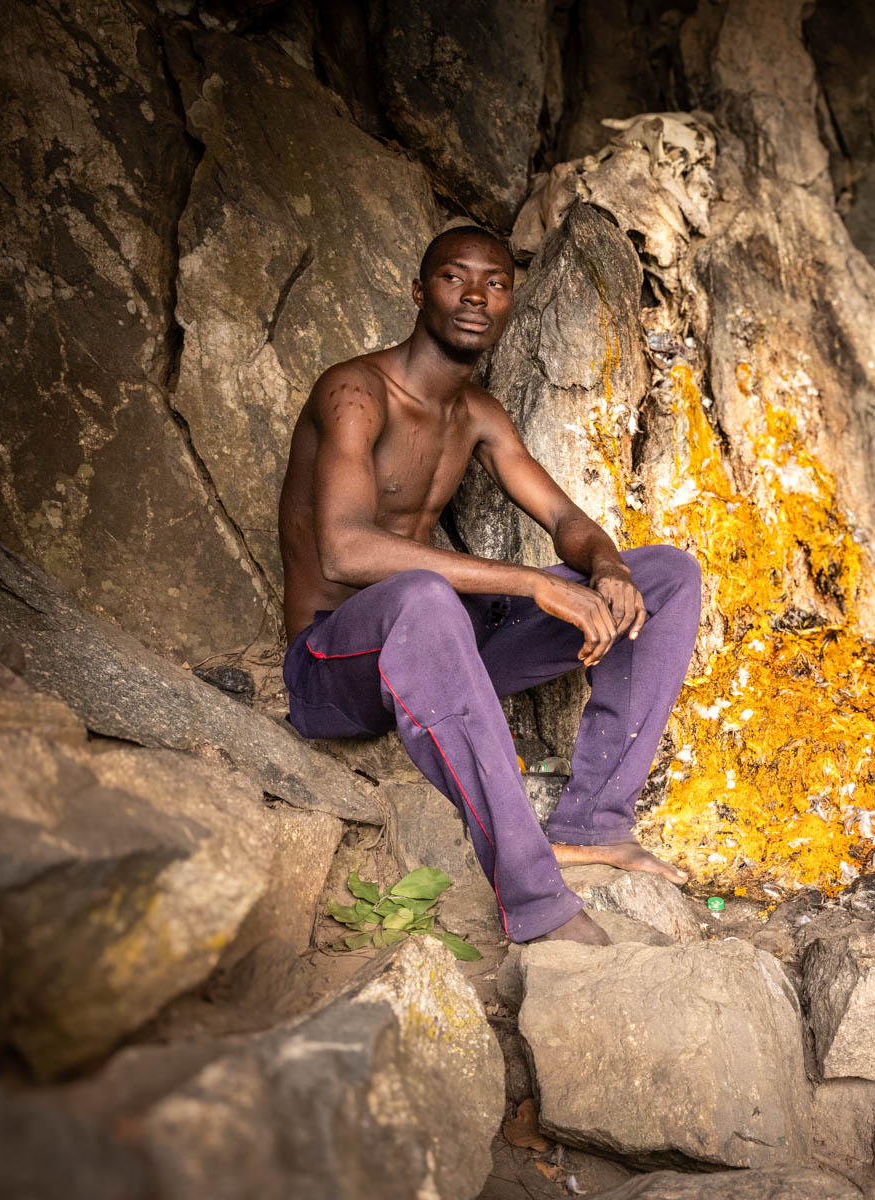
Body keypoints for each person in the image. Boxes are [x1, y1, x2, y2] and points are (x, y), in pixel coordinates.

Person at [275, 225, 701, 945]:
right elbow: (344, 550)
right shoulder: (354, 392)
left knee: (668, 575)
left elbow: (564, 516)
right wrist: (531, 582)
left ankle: (592, 823)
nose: (476, 296)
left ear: (510, 302)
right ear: (418, 292)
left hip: (439, 655)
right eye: (454, 278)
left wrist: (608, 567)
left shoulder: (477, 414)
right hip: (333, 668)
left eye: (496, 283)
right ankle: (535, 902)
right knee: (423, 594)